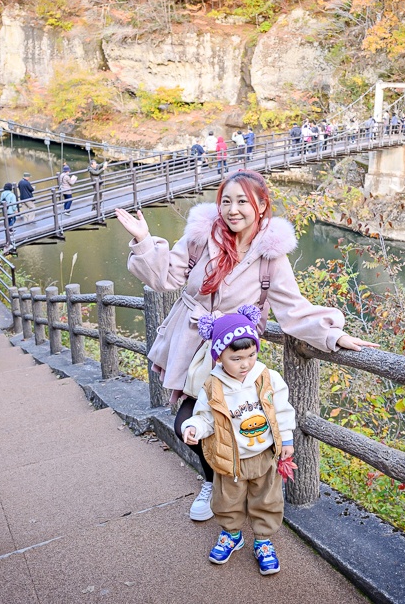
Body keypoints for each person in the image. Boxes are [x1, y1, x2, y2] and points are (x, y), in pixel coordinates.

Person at [113, 169, 377, 522]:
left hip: (233, 355)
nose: (232, 210)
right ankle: (214, 482)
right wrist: (144, 240)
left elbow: (293, 309)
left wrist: (332, 335)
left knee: (233, 422)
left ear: (261, 206)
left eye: (242, 201)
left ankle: (233, 485)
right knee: (187, 424)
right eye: (226, 201)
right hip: (192, 344)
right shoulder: (201, 238)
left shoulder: (270, 256)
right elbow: (165, 278)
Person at [181, 306, 294, 575]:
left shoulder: (267, 378)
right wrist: (193, 427)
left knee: (267, 499)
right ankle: (232, 534)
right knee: (227, 500)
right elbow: (206, 417)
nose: (245, 364)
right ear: (219, 357)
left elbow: (282, 411)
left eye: (251, 355)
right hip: (230, 458)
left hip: (264, 454)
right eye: (237, 358)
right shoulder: (213, 385)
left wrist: (287, 440)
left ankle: (263, 540)